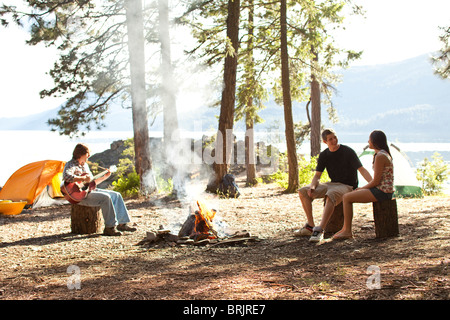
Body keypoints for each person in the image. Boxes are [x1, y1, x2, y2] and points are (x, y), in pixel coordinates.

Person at [296, 129, 372, 242]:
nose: (334, 140)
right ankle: (310, 226)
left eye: (335, 137)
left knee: (330, 194)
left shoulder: (348, 151)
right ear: (325, 141)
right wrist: (312, 186)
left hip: (347, 185)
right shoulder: (324, 155)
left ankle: (320, 229)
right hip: (331, 184)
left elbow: (362, 170)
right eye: (330, 139)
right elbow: (317, 176)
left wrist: (372, 183)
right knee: (303, 191)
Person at [62, 143, 136, 236]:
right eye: (87, 154)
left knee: (116, 195)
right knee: (106, 198)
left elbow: (92, 183)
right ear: (81, 154)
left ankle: (122, 223)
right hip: (78, 196)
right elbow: (66, 176)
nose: (88, 156)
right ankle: (110, 227)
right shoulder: (71, 164)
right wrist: (83, 179)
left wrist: (105, 177)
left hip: (89, 191)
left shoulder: (85, 165)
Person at [333, 130, 394, 240]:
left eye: (369, 139)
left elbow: (376, 181)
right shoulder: (381, 154)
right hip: (383, 190)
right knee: (347, 196)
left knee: (347, 197)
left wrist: (361, 188)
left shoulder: (380, 156)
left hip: (382, 192)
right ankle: (345, 228)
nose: (368, 141)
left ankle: (347, 230)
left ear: (375, 141)